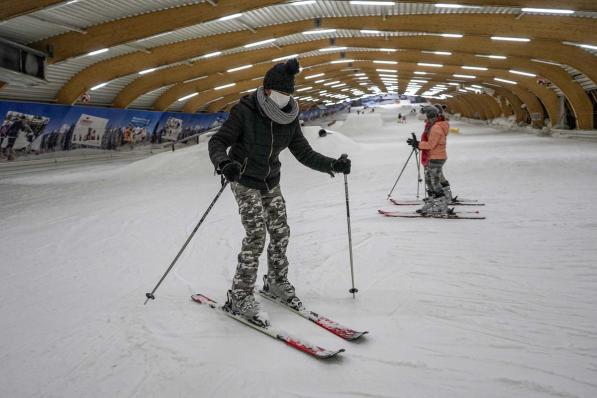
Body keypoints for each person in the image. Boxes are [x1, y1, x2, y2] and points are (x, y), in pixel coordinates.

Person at [208, 58, 351, 326]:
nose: (285, 98)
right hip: (243, 178)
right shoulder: (245, 112)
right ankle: (240, 295)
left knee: (281, 230)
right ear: (267, 90)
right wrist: (224, 163)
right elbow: (218, 141)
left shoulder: (290, 117)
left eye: (289, 94)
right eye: (281, 93)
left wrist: (333, 164)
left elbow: (304, 152)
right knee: (256, 234)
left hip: (270, 180)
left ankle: (275, 282)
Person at [407, 105, 452, 216]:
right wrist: (417, 143)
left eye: (426, 117)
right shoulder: (433, 126)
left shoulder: (435, 128)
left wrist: (418, 144)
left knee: (435, 182)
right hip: (433, 157)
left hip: (437, 157)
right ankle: (433, 202)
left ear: (430, 116)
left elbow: (431, 145)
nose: (425, 120)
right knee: (429, 180)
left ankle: (442, 207)